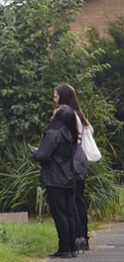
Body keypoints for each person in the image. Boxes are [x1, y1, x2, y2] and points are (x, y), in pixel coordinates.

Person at [33, 104, 78, 258]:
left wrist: (35, 152)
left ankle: (64, 248)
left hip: (54, 178)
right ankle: (72, 247)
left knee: (59, 214)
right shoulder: (72, 134)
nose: (52, 115)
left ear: (58, 118)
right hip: (69, 177)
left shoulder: (53, 134)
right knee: (69, 213)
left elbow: (42, 155)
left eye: (55, 113)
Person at [53, 84, 90, 251]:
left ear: (63, 97)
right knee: (78, 199)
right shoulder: (79, 115)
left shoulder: (66, 114)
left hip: (70, 162)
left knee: (73, 201)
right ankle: (82, 236)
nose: (54, 98)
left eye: (56, 95)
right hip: (80, 161)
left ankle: (77, 236)